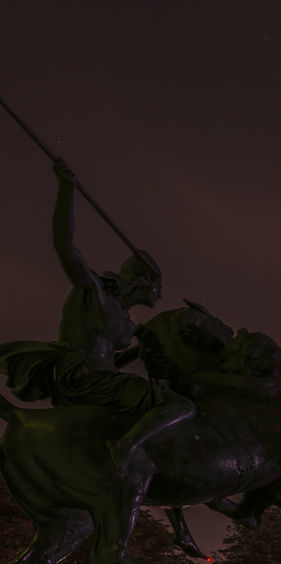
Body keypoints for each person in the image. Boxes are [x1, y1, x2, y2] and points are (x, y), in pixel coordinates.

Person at [0, 159, 194, 470]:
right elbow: (64, 246)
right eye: (158, 287)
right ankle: (124, 448)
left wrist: (136, 354)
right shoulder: (95, 294)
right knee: (180, 406)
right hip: (85, 378)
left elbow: (109, 356)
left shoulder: (126, 318)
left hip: (101, 377)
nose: (159, 295)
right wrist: (66, 191)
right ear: (143, 279)